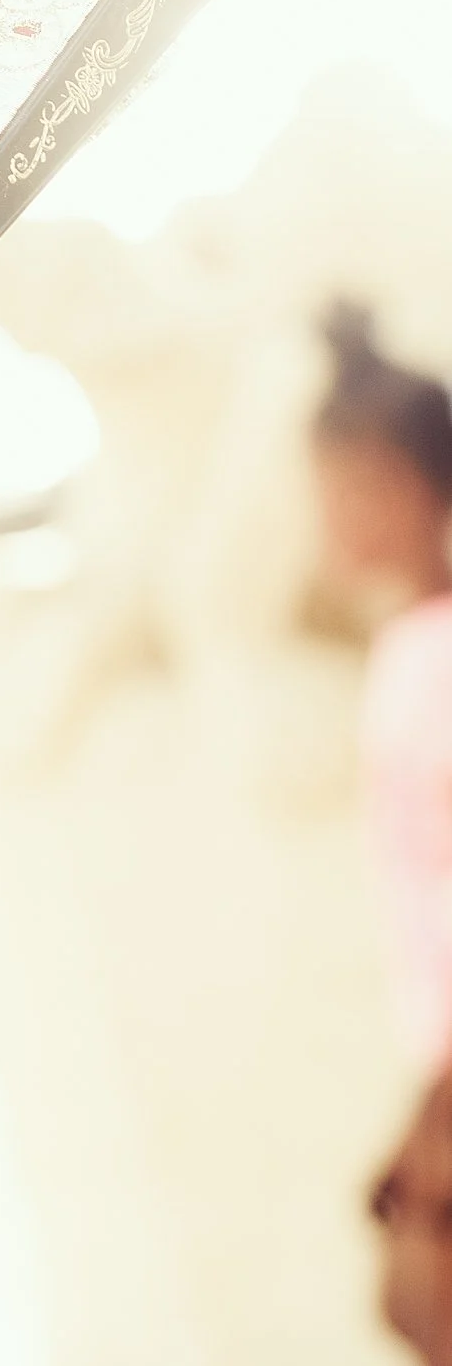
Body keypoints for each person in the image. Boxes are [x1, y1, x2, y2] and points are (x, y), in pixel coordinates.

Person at [313, 303, 452, 1071]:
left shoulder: (436, 656)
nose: (338, 517)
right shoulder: (406, 651)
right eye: (328, 488)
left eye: (366, 487)